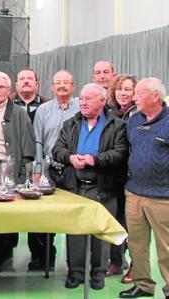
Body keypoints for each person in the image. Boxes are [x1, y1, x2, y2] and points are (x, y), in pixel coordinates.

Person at [52, 83, 128, 290]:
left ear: (102, 101)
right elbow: (57, 149)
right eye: (82, 99)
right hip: (75, 186)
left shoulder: (118, 125)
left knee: (100, 234)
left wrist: (95, 160)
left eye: (88, 99)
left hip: (103, 187)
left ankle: (98, 274)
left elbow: (120, 153)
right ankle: (75, 273)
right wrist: (70, 157)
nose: (83, 102)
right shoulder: (71, 123)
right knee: (75, 232)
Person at [0, 71, 35, 275]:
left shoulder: (19, 113)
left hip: (7, 168)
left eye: (1, 87)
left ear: (9, 91)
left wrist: (20, 176)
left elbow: (28, 149)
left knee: (2, 217)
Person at [118, 78, 169, 299]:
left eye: (139, 93)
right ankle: (143, 284)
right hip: (134, 193)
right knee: (136, 244)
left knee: (166, 247)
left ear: (155, 96)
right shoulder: (133, 120)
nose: (134, 97)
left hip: (163, 197)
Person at [30, 70, 80, 270]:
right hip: (49, 169)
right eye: (58, 83)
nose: (62, 86)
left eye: (66, 82)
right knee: (42, 215)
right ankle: (42, 257)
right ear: (51, 87)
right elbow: (38, 141)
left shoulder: (80, 108)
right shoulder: (43, 110)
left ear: (73, 86)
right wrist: (38, 169)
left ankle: (74, 263)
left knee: (73, 215)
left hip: (73, 170)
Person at [106, 74, 138, 282]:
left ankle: (137, 266)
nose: (123, 93)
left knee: (134, 225)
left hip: (133, 177)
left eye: (128, 89)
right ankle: (117, 262)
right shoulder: (109, 113)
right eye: (119, 89)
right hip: (112, 176)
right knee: (115, 221)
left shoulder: (138, 114)